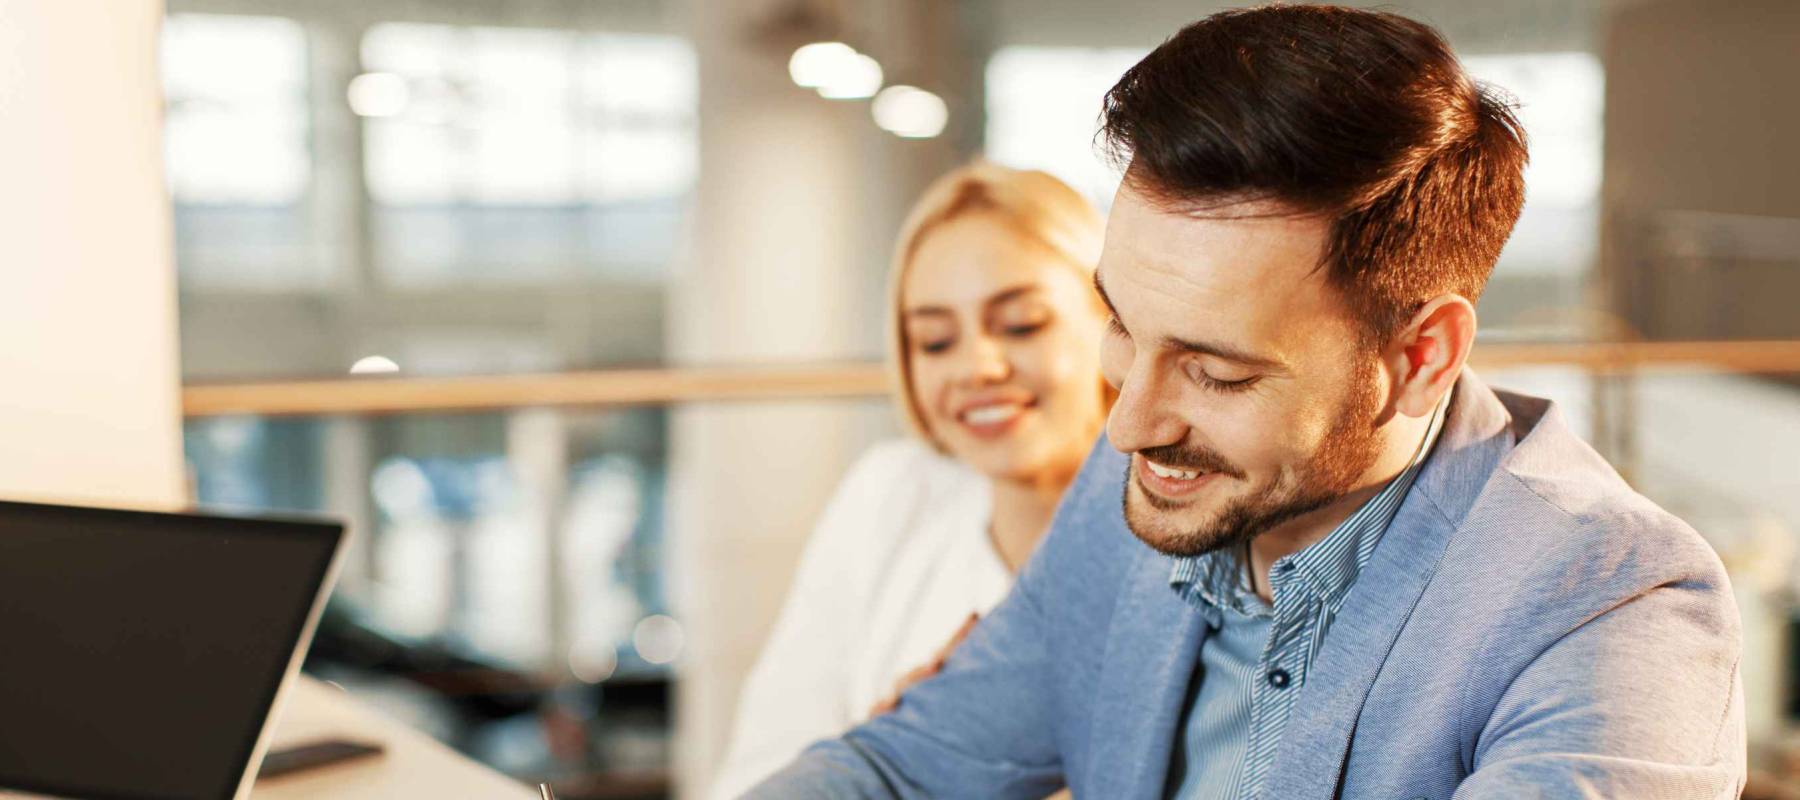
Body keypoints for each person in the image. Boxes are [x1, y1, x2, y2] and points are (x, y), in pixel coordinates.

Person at [746, 6, 1745, 799]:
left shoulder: (1614, 609)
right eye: (1122, 325)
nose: (1129, 423)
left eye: (1217, 372)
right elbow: (904, 768)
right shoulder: (1140, 486)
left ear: (1419, 356)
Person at [710, 163, 1112, 798]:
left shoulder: (1183, 533)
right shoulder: (891, 494)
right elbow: (760, 768)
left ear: (1113, 321)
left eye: (1021, 325)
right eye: (935, 341)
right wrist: (890, 753)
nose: (977, 368)